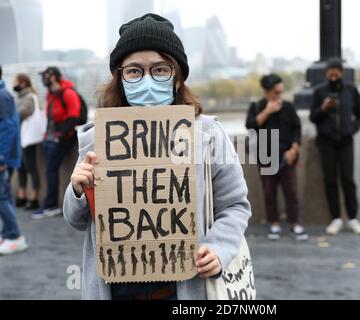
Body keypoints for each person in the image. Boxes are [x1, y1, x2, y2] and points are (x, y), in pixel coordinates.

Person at [63, 13, 251, 300]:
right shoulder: (97, 139)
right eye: (134, 71)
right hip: (116, 290)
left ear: (177, 78)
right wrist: (78, 189)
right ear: (121, 78)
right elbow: (77, 221)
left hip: (185, 288)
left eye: (160, 70)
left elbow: (235, 205)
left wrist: (218, 248)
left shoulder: (208, 134)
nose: (147, 79)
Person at [246, 74, 308, 241]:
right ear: (269, 90)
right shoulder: (257, 105)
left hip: (287, 154)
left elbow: (297, 128)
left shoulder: (288, 106)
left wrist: (294, 148)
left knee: (291, 191)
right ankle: (274, 223)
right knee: (269, 191)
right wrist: (267, 111)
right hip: (266, 156)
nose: (279, 93)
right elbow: (250, 126)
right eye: (276, 90)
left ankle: (295, 223)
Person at [310, 58, 360, 236]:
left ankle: (353, 218)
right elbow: (313, 117)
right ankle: (335, 218)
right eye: (330, 71)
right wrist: (323, 108)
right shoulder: (319, 92)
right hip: (326, 142)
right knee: (330, 180)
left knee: (348, 180)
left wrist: (352, 129)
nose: (333, 75)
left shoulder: (350, 90)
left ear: (341, 72)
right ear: (327, 73)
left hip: (345, 141)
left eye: (336, 71)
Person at [32, 67, 81, 219]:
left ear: (54, 76)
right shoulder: (51, 94)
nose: (44, 79)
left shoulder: (68, 93)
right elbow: (50, 117)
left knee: (51, 171)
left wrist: (60, 136)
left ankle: (50, 206)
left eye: (46, 75)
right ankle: (49, 204)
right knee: (50, 171)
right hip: (50, 138)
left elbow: (74, 116)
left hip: (61, 139)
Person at [0, 65, 28, 255]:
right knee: (4, 196)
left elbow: (9, 127)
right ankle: (9, 234)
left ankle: (14, 236)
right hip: (5, 156)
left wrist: (1, 157)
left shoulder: (2, 95)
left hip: (3, 157)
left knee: (2, 197)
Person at [13, 74, 44, 211]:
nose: (14, 84)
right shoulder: (19, 97)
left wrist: (10, 114)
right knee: (20, 168)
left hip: (28, 138)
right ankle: (22, 196)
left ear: (23, 83)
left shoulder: (30, 96)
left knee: (31, 167)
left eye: (16, 82)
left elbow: (23, 113)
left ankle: (34, 198)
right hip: (20, 138)